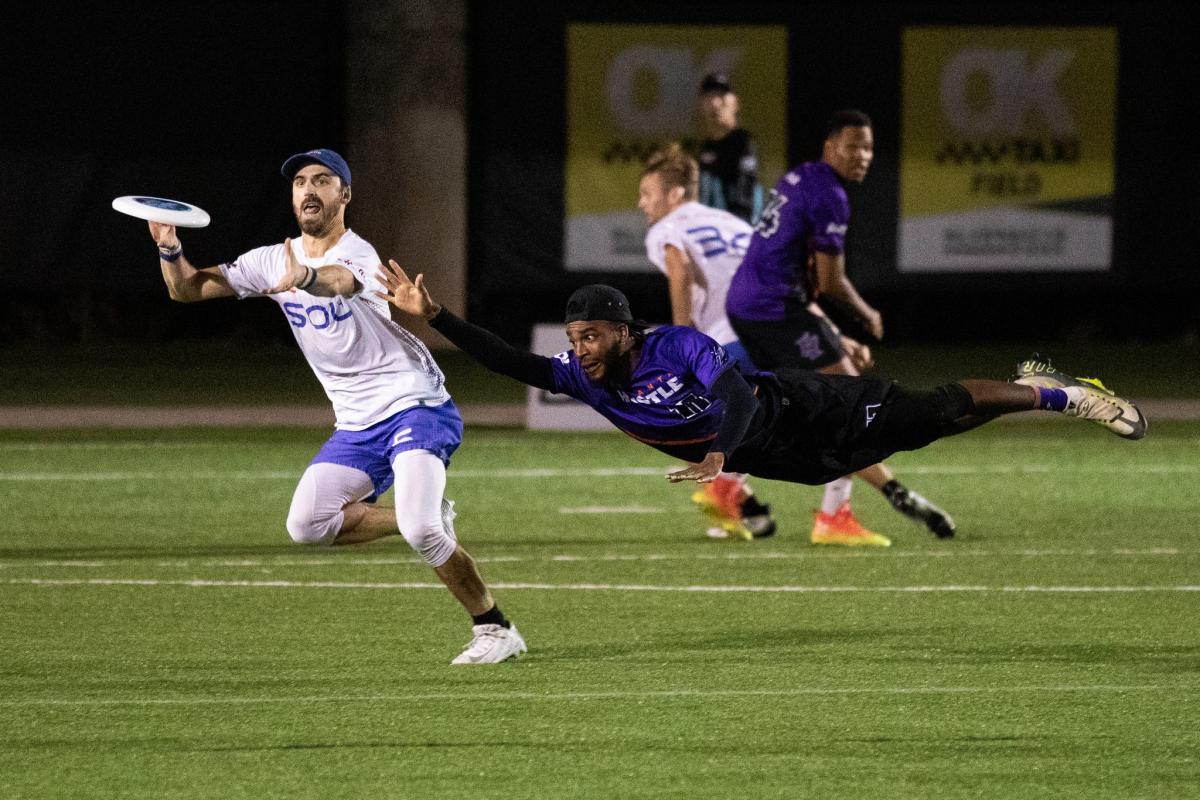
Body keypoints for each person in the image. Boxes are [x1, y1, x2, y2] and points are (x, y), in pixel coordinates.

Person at [372, 276, 1146, 537]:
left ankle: (1061, 394)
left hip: (804, 409)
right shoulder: (584, 378)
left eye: (593, 335)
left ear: (624, 329)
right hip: (785, 458)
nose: (581, 349)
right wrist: (435, 315)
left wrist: (718, 452)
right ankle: (1031, 386)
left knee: (935, 408)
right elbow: (507, 360)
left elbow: (735, 393)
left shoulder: (675, 345)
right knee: (926, 429)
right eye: (575, 339)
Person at [146, 148, 525, 665]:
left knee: (421, 531)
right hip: (355, 422)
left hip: (414, 403)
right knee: (306, 524)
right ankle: (425, 513)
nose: (308, 189)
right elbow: (187, 290)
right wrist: (169, 247)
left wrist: (304, 278)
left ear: (343, 195)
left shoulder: (357, 253)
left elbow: (339, 281)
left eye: (322, 180)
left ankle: (495, 628)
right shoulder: (269, 259)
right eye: (300, 181)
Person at [727, 109, 952, 547]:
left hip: (750, 306)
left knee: (799, 409)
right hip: (772, 310)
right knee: (849, 406)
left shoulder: (800, 178)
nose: (863, 156)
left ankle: (731, 484)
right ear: (831, 147)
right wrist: (867, 315)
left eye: (868, 148)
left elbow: (802, 280)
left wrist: (837, 337)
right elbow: (830, 282)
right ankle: (845, 511)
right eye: (854, 146)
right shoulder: (830, 195)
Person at [639, 142, 776, 541]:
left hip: (729, 336)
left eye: (647, 193)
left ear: (675, 194)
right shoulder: (730, 221)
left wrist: (683, 339)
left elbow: (679, 269)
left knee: (686, 417)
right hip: (776, 325)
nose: (641, 203)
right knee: (765, 418)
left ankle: (728, 493)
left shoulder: (667, 228)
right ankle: (747, 507)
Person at [696, 72, 763, 225]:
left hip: (738, 231)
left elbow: (746, 194)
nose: (715, 103)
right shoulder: (706, 148)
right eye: (709, 96)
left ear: (735, 103)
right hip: (710, 230)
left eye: (721, 96)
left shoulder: (743, 143)